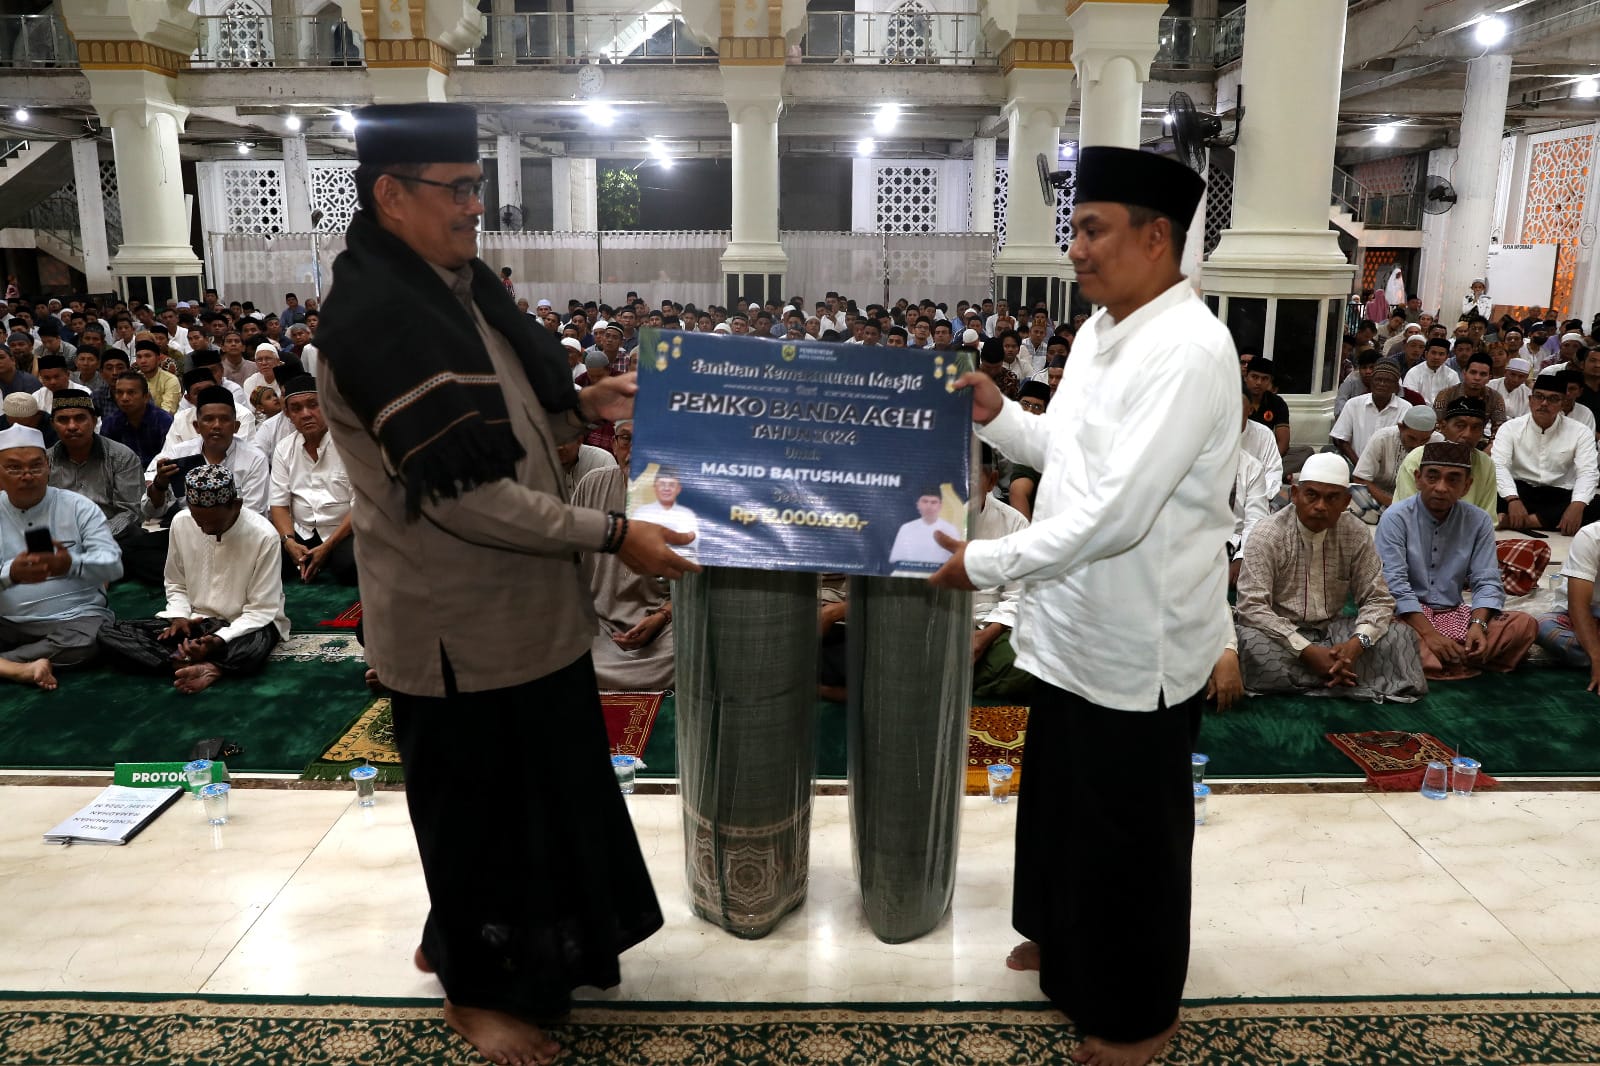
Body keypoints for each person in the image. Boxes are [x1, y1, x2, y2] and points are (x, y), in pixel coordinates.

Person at [312, 103, 695, 1066]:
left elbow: (512, 420)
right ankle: (477, 993)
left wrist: (580, 408)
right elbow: (464, 499)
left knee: (544, 801)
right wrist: (612, 533)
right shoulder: (375, 321)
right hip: (457, 625)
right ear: (388, 195)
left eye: (478, 188)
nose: (476, 208)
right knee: (476, 814)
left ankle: (480, 944)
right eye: (458, 190)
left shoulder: (456, 290)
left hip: (530, 613)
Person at [930, 146, 1228, 1066]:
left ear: (1157, 236)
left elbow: (1121, 513)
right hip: (1066, 628)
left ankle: (1140, 1014)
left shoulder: (1189, 351)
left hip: (1138, 641)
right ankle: (1065, 948)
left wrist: (982, 560)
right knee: (1062, 807)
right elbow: (1066, 448)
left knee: (1130, 835)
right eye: (1076, 229)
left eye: (1093, 230)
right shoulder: (1105, 330)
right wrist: (996, 413)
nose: (1077, 250)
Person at [1234, 454, 1425, 702]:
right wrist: (1306, 651)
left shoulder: (1355, 532)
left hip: (1335, 634)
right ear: (1295, 494)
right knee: (1248, 643)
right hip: (1280, 636)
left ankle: (1328, 671)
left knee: (1400, 637)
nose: (1321, 506)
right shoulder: (1268, 534)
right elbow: (1252, 607)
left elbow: (1378, 599)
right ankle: (1341, 676)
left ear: (1346, 500)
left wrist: (1356, 646)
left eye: (1332, 498)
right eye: (1311, 495)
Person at [98, 465, 289, 694]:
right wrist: (179, 617)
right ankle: (189, 663)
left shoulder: (264, 536)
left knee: (259, 641)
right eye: (199, 522)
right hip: (196, 622)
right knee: (109, 632)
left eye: (214, 523)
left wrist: (218, 640)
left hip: (243, 625)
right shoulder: (182, 522)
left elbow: (261, 610)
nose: (206, 529)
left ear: (235, 505)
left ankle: (203, 663)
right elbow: (176, 583)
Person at [1377, 441, 1537, 680]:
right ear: (1418, 478)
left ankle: (1446, 661)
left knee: (1524, 625)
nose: (1441, 487)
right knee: (1386, 634)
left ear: (1466, 485)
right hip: (1408, 618)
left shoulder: (1479, 520)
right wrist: (1430, 635)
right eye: (1433, 477)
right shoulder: (1395, 517)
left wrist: (1478, 626)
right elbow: (1394, 586)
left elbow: (1487, 581)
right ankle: (1462, 659)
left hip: (1455, 613)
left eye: (1453, 479)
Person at [0, 423, 122, 690]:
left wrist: (70, 564)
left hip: (76, 619)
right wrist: (11, 574)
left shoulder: (78, 506)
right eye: (14, 468)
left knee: (93, 639)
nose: (27, 475)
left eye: (35, 466)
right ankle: (21, 667)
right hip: (8, 621)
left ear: (49, 468)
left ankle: (8, 665)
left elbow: (113, 566)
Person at [569, 421, 674, 691]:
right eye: (626, 439)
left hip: (662, 627)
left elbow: (696, 590)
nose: (634, 451)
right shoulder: (593, 484)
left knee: (687, 651)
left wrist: (662, 616)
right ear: (614, 445)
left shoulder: (684, 497)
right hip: (599, 623)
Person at [269, 377, 356, 585]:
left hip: (344, 531)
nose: (306, 414)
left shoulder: (350, 445)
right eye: (296, 408)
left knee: (349, 565)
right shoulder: (284, 448)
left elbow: (362, 507)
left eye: (313, 405)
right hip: (302, 531)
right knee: (266, 560)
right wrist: (289, 541)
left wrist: (328, 547)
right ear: (288, 415)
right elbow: (279, 505)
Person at [1494, 370, 1600, 534]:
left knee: (1592, 503)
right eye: (1539, 396)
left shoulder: (1580, 431)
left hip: (1559, 494)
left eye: (1553, 399)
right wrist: (1512, 499)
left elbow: (1588, 472)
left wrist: (1577, 505)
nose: (1544, 403)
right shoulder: (1510, 428)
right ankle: (1541, 520)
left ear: (1563, 403)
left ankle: (1515, 521)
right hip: (1520, 490)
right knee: (1488, 493)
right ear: (1530, 400)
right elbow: (1499, 466)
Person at [45, 391, 144, 546]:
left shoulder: (121, 457)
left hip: (112, 540)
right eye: (63, 420)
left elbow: (130, 512)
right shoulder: (44, 461)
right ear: (53, 424)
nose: (72, 426)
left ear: (94, 420)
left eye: (80, 418)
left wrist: (91, 537)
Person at [1394, 396, 1497, 516]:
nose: (1468, 434)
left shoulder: (1486, 464)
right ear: (1443, 427)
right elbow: (1409, 514)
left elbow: (1487, 515)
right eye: (1460, 426)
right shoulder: (1417, 458)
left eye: (1475, 428)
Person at [1350, 403, 1438, 518]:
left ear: (1432, 432)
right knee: (1354, 492)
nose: (1417, 445)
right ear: (1401, 428)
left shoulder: (1438, 443)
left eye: (1424, 440)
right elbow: (1360, 478)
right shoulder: (1382, 438)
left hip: (1416, 502)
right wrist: (1395, 504)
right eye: (1411, 438)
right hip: (1379, 498)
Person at [1330, 362, 1410, 466]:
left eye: (1387, 381)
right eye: (1378, 379)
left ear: (1396, 386)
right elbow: (1341, 439)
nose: (1381, 384)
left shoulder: (1406, 408)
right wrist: (1359, 466)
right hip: (1356, 465)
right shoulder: (1353, 404)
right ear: (1371, 383)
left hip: (1390, 470)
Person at [632, 465, 699, 559]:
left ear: (679, 489)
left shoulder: (688, 516)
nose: (666, 489)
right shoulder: (641, 513)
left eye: (671, 485)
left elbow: (692, 549)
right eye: (662, 484)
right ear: (654, 486)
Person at [888, 487, 960, 567]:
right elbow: (895, 559)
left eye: (933, 502)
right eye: (925, 501)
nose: (929, 506)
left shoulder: (950, 530)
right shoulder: (906, 528)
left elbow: (956, 560)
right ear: (918, 504)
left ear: (940, 505)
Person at [1243, 356, 1290, 456]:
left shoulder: (1277, 402)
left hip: (1266, 454)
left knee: (1305, 452)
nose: (1259, 382)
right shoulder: (1235, 398)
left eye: (1264, 378)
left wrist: (1271, 463)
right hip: (1239, 451)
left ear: (1270, 381)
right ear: (1246, 377)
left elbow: (1283, 442)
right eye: (1254, 377)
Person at [1489, 356, 1533, 420]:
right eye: (1513, 374)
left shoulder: (1528, 393)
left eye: (1521, 376)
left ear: (1526, 378)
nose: (1515, 380)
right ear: (1505, 372)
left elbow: (1526, 418)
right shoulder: (1490, 386)